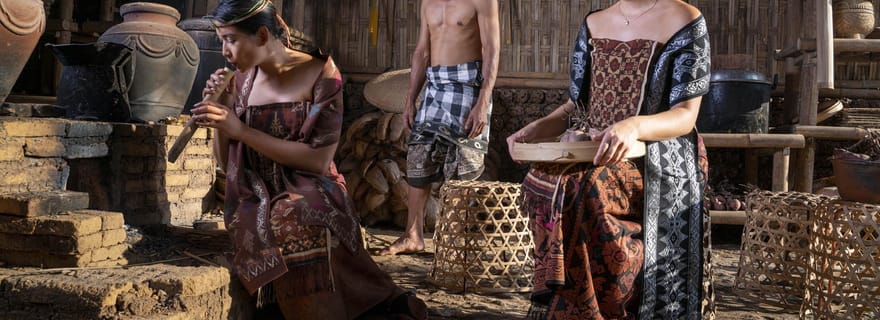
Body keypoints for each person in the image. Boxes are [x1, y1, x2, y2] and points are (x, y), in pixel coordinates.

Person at [191, 0, 427, 319]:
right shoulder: (240, 82)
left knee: (295, 219)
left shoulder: (322, 74)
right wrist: (224, 113)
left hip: (312, 185)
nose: (224, 51)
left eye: (230, 39)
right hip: (253, 193)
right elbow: (226, 165)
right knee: (275, 219)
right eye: (221, 40)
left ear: (262, 35)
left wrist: (241, 129)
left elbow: (317, 161)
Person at [506, 0, 713, 318]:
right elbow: (575, 106)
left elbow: (685, 116)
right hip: (596, 151)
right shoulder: (594, 22)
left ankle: (608, 307)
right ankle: (573, 306)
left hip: (659, 153)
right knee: (541, 180)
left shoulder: (685, 19)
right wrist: (537, 128)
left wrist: (633, 126)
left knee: (586, 187)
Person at [378, 0, 501, 256]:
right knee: (418, 157)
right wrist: (410, 98)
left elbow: (491, 48)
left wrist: (484, 99)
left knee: (461, 166)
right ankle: (413, 235)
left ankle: (456, 239)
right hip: (434, 87)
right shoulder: (428, 2)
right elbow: (422, 51)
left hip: (468, 87)